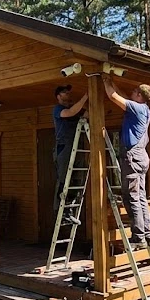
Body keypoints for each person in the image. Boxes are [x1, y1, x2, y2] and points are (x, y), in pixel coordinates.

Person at [103, 74, 150, 249]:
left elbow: (113, 97)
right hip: (141, 156)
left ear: (139, 96)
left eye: (134, 91)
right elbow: (123, 95)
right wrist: (112, 82)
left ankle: (138, 237)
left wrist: (104, 82)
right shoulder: (144, 108)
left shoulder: (137, 108)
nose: (132, 93)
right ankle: (147, 235)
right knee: (140, 197)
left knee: (131, 197)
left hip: (132, 157)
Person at [53, 84, 88, 225]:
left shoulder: (74, 109)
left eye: (68, 92)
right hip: (64, 147)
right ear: (58, 97)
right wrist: (85, 97)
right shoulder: (58, 109)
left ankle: (69, 211)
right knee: (64, 179)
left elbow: (87, 114)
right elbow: (70, 113)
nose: (68, 95)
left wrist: (89, 103)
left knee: (76, 180)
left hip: (76, 147)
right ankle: (60, 213)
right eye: (65, 93)